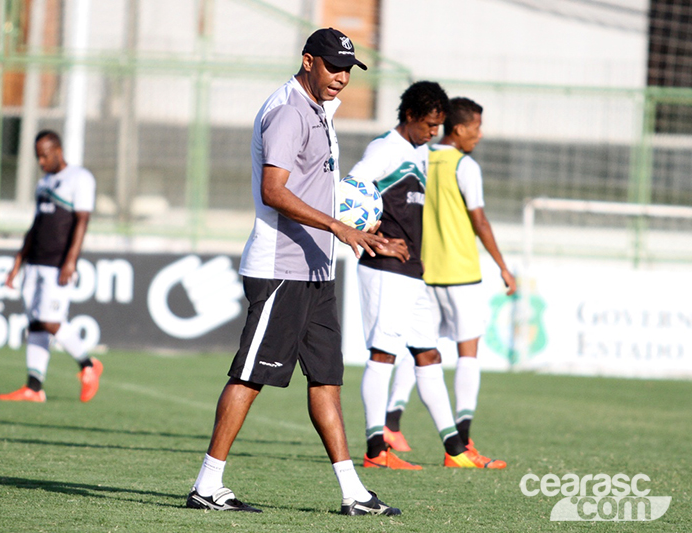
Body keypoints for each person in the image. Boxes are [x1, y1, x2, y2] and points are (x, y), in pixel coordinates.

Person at [186, 28, 402, 516]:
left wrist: (356, 227)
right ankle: (207, 483)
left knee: (326, 379)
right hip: (281, 267)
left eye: (348, 69)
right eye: (332, 67)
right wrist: (338, 225)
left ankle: (353, 493)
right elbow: (274, 191)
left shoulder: (319, 108)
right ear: (308, 61)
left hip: (315, 269)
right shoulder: (288, 111)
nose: (342, 78)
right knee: (250, 376)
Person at [352, 81, 503, 470]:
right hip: (384, 268)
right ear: (410, 117)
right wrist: (373, 238)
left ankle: (455, 450)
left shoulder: (418, 151)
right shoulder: (385, 149)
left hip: (413, 271)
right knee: (383, 354)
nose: (434, 133)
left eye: (439, 125)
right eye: (429, 125)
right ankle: (375, 451)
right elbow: (349, 188)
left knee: (429, 353)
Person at [419, 96, 516, 464]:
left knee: (421, 355)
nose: (480, 134)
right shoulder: (465, 165)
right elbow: (480, 221)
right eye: (476, 128)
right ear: (459, 129)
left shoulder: (421, 157)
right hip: (460, 273)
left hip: (425, 274)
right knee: (467, 353)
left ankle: (387, 431)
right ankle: (463, 441)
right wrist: (503, 267)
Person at [0, 130, 103, 403]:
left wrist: (71, 261)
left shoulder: (80, 178)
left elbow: (82, 221)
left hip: (58, 264)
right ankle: (34, 387)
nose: (41, 161)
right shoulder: (43, 183)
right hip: (34, 261)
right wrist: (18, 261)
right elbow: (35, 226)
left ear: (58, 151)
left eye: (44, 155)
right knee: (35, 323)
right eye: (37, 157)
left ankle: (88, 365)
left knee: (50, 320)